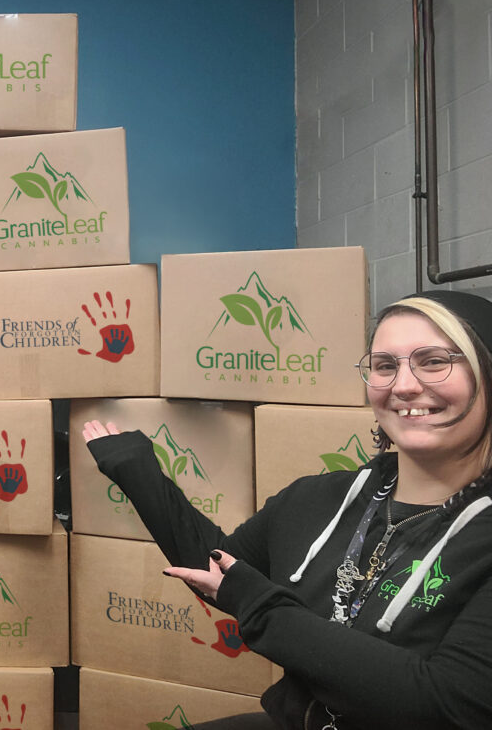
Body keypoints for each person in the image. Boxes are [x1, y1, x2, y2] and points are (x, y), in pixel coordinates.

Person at [82, 290, 492, 730]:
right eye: (385, 365)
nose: (404, 385)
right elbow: (219, 572)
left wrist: (262, 609)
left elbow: (443, 704)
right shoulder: (318, 499)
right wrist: (138, 473)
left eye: (434, 361)